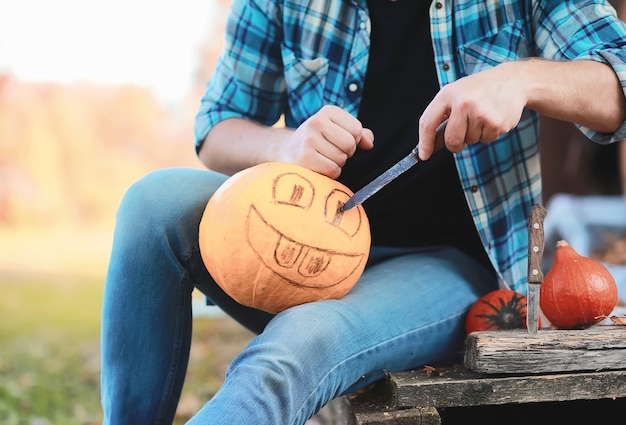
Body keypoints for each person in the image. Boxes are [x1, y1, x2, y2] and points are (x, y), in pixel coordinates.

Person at [100, 1, 626, 424]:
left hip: (442, 266)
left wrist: (520, 79)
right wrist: (285, 145)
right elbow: (216, 130)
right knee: (152, 202)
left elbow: (618, 80)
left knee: (295, 349)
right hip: (300, 256)